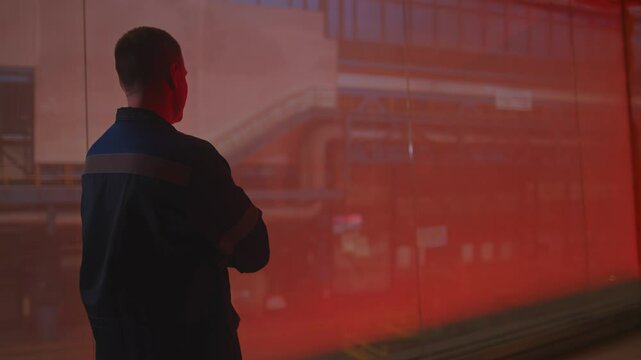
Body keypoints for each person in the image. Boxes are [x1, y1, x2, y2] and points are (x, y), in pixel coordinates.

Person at [80, 26, 269, 360]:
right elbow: (255, 251)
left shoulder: (97, 157)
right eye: (184, 75)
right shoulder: (192, 160)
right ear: (173, 75)